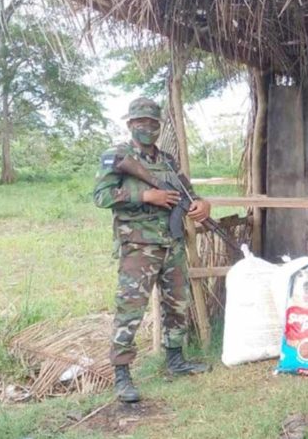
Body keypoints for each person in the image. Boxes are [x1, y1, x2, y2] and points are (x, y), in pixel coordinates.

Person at [93, 97, 211, 403]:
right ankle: (121, 375)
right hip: (139, 246)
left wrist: (201, 204)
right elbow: (101, 197)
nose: (147, 127)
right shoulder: (117, 155)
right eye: (140, 122)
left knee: (177, 303)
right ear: (130, 124)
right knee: (130, 308)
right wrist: (146, 195)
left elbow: (189, 194)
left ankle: (176, 360)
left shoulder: (168, 161)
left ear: (159, 126)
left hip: (172, 244)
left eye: (152, 123)